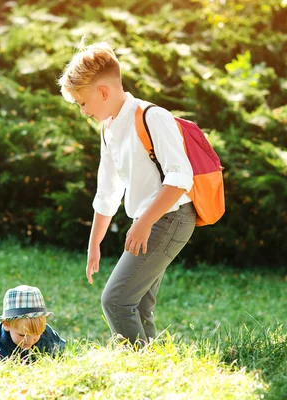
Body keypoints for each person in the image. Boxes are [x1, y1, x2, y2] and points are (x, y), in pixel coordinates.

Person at [58, 42, 197, 346]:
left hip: (170, 217)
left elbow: (180, 178)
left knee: (116, 300)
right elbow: (108, 191)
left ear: (104, 92)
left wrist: (144, 222)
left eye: (83, 103)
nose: (83, 111)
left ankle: (136, 367)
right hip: (149, 221)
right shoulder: (109, 130)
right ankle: (152, 368)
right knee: (138, 304)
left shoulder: (152, 117)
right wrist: (94, 244)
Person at [0, 285, 65, 360]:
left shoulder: (47, 335)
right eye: (22, 335)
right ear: (6, 324)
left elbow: (62, 355)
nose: (29, 340)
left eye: (37, 333)